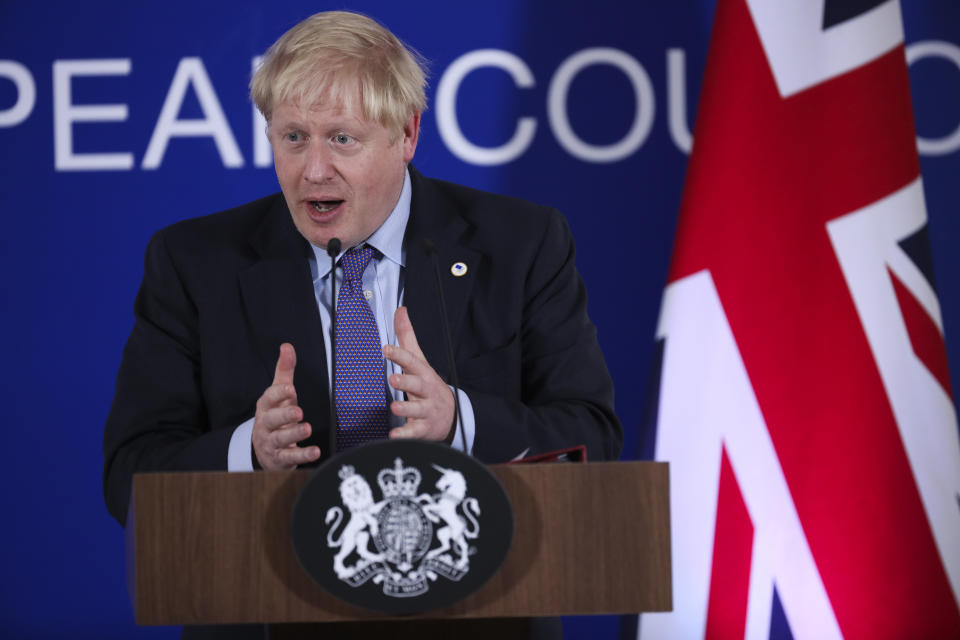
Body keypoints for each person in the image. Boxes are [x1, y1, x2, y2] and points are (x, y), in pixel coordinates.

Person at [104, 5, 619, 560]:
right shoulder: (194, 263)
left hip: (480, 603)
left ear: (407, 133)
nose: (314, 170)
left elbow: (592, 438)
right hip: (267, 600)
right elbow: (129, 474)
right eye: (294, 137)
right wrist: (246, 453)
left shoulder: (519, 245)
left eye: (343, 139)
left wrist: (457, 421)